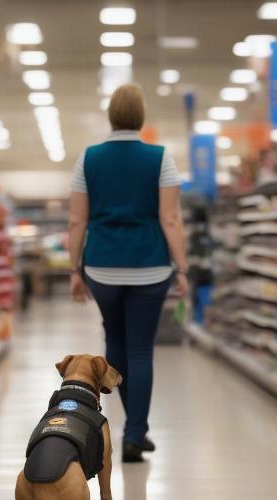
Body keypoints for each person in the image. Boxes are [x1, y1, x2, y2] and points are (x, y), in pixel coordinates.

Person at [67, 83, 189, 463]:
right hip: (151, 266)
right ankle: (135, 433)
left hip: (102, 266)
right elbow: (169, 217)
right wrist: (182, 267)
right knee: (141, 350)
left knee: (115, 340)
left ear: (111, 116)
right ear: (141, 115)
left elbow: (76, 220)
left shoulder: (88, 159)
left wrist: (75, 269)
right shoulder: (161, 158)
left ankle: (133, 428)